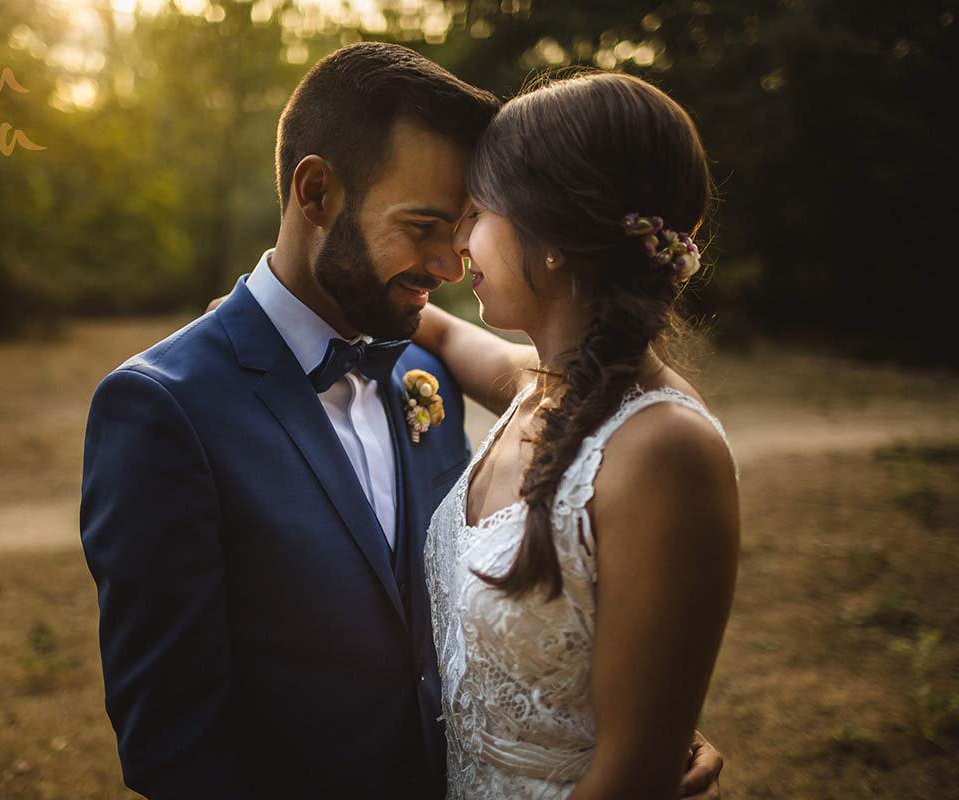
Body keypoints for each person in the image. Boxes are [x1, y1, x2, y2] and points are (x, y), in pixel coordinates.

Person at [82, 42, 724, 799]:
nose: (451, 264)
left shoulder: (427, 369)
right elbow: (174, 748)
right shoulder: (163, 410)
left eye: (466, 225)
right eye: (423, 227)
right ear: (316, 193)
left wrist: (615, 730)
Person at [413, 71, 741, 799]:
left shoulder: (664, 450)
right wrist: (273, 310)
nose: (462, 239)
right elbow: (432, 326)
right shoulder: (547, 380)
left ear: (553, 235)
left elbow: (632, 773)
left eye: (480, 212)